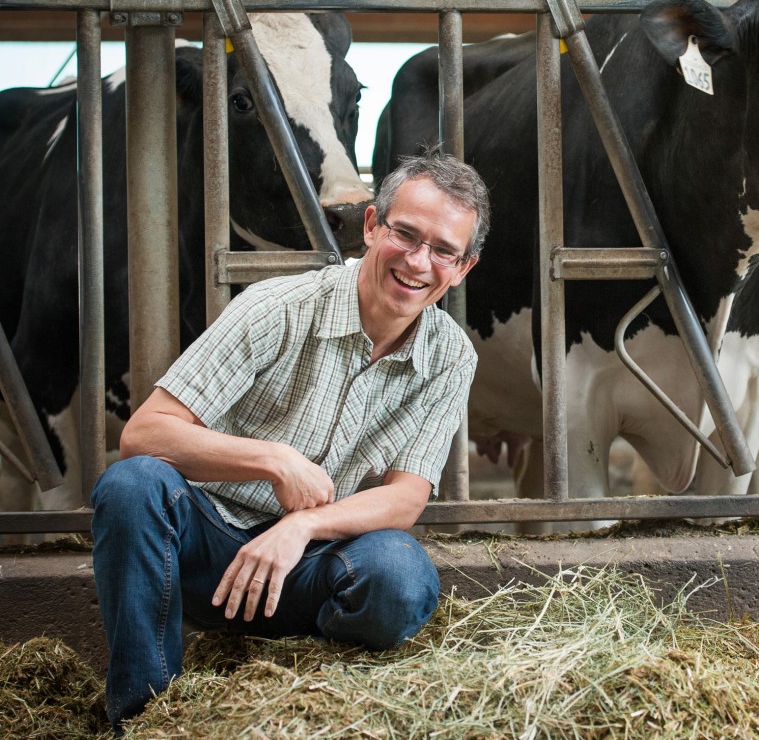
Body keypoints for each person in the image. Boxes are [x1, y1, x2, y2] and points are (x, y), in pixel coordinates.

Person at [90, 151, 489, 729]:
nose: (419, 261)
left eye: (443, 250)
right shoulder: (276, 309)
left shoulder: (451, 355)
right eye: (405, 234)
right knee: (132, 485)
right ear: (373, 226)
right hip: (204, 551)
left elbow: (406, 496)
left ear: (463, 267)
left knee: (400, 577)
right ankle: (147, 715)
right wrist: (273, 460)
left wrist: (300, 525)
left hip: (305, 566)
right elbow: (145, 432)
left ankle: (310, 697)